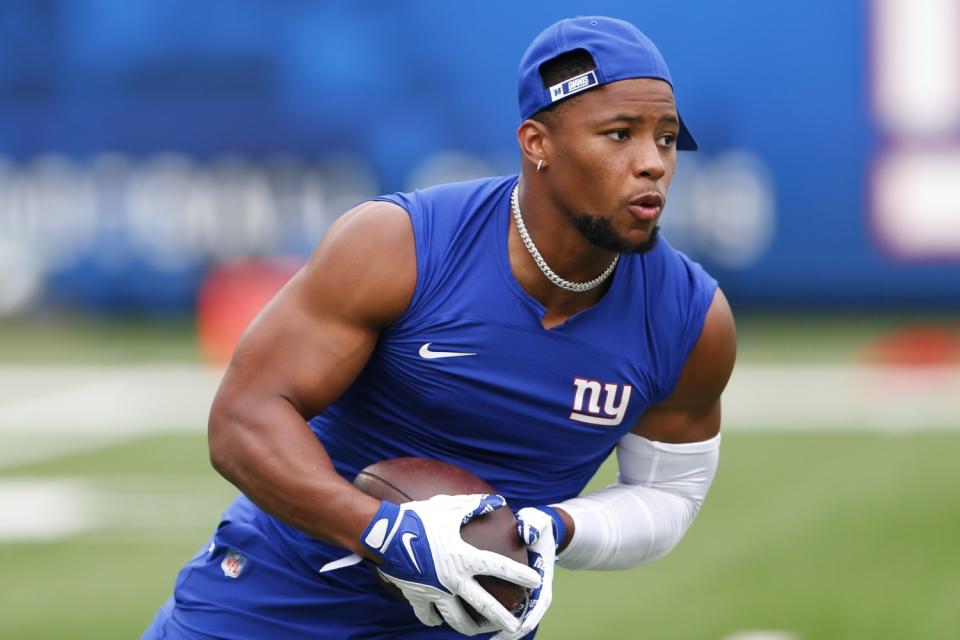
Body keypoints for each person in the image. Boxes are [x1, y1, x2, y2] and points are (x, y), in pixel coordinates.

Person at [143, 15, 736, 640]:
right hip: (270, 606)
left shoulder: (690, 319)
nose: (652, 164)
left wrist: (552, 528)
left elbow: (668, 496)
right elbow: (243, 419)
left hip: (464, 625)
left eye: (666, 140)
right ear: (538, 143)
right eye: (619, 135)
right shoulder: (400, 245)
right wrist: (384, 533)